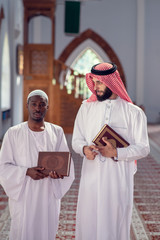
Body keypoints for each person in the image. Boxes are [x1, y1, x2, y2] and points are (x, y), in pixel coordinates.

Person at [72, 62, 150, 240]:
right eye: (93, 81)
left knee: (115, 218)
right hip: (91, 175)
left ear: (112, 81)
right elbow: (76, 140)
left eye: (99, 82)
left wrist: (117, 153)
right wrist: (84, 150)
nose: (95, 87)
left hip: (118, 177)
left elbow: (144, 147)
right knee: (89, 218)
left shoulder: (133, 112)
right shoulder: (86, 108)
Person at [0, 89, 75, 240]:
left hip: (48, 193)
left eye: (42, 104)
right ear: (27, 105)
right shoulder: (13, 133)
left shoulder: (57, 132)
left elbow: (66, 165)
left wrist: (58, 174)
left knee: (46, 231)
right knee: (22, 230)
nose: (37, 108)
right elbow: (3, 166)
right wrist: (26, 172)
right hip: (24, 195)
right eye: (34, 104)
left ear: (47, 107)